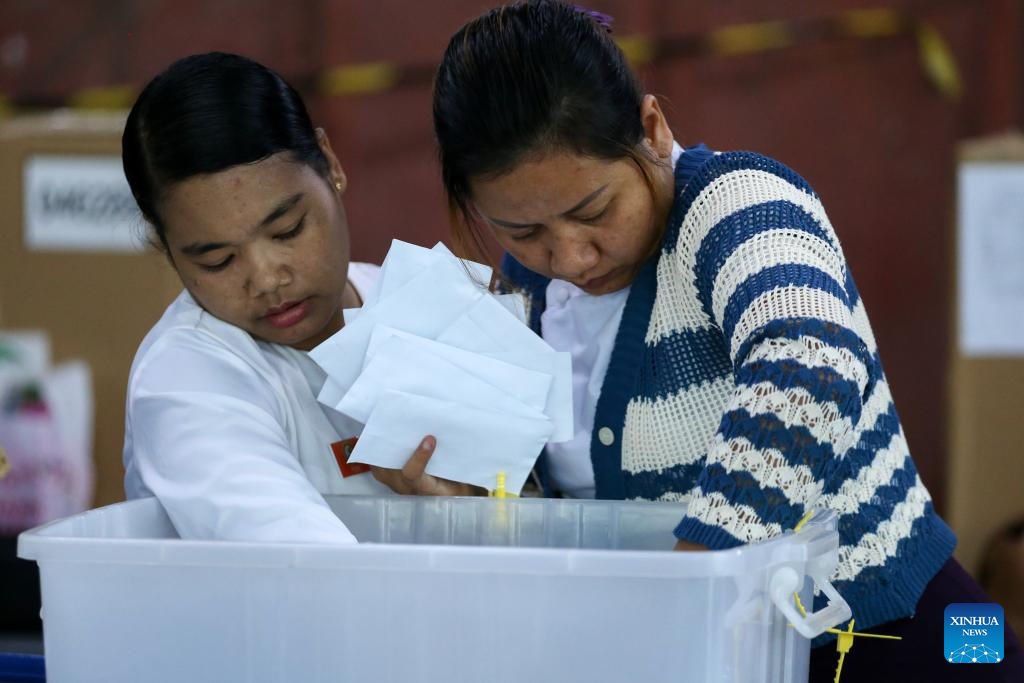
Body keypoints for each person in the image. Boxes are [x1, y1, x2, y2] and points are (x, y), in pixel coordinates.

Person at [430, 1, 1023, 678]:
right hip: (713, 655)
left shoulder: (738, 208)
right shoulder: (524, 292)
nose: (570, 256)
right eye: (522, 231)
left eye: (594, 211)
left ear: (652, 130)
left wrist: (697, 577)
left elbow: (811, 362)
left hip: (897, 630)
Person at [121, 52, 472, 544]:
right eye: (218, 261)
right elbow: (297, 564)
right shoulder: (182, 378)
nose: (266, 279)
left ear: (331, 165)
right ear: (167, 247)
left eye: (287, 230)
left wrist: (479, 506)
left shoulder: (432, 312)